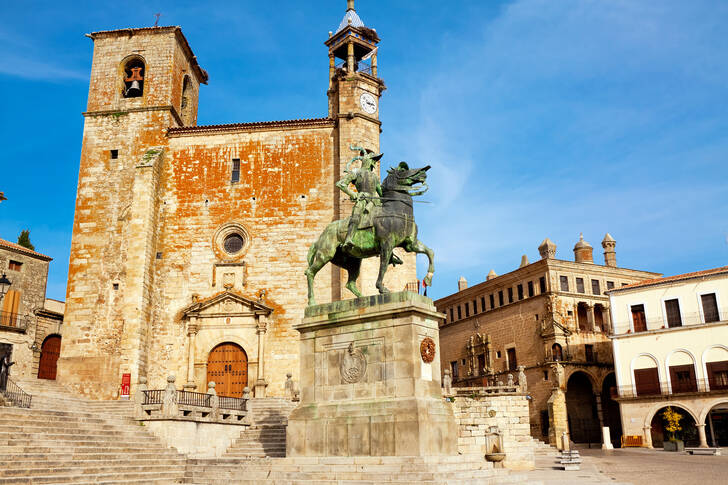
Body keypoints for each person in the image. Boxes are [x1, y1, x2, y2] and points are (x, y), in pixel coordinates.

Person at [335, 148, 383, 251]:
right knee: (356, 216)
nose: (374, 162)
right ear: (368, 161)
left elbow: (381, 193)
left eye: (375, 160)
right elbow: (340, 184)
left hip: (374, 201)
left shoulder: (375, 177)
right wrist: (352, 193)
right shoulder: (357, 172)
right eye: (373, 160)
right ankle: (349, 238)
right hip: (362, 199)